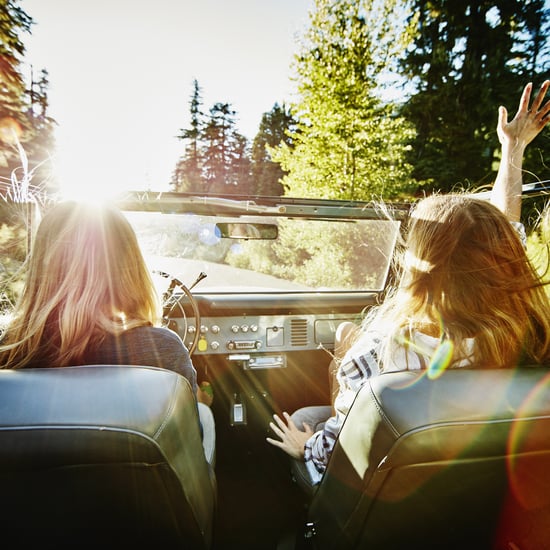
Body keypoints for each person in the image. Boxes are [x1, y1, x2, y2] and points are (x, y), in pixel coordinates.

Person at [267, 80, 550, 492]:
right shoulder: (530, 330)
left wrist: (306, 446)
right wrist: (513, 150)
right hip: (479, 499)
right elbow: (504, 233)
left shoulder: (382, 352)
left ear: (419, 268)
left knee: (320, 396)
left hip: (386, 498)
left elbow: (346, 443)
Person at [0, 200, 215, 464]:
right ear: (130, 269)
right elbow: (189, 442)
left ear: (42, 268)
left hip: (30, 503)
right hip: (139, 502)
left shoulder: (10, 346)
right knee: (204, 415)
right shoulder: (162, 350)